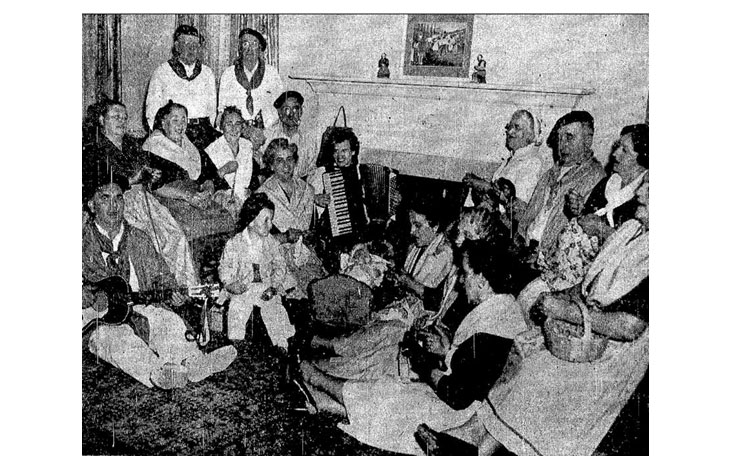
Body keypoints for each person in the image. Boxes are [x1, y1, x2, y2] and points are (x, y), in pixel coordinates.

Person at [416, 174, 649, 456]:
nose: (642, 191)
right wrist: (560, 298)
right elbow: (588, 285)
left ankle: (476, 444)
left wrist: (563, 310)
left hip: (615, 354)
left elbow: (631, 326)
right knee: (523, 347)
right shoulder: (632, 233)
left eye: (650, 187)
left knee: (538, 371)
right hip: (587, 329)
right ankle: (474, 440)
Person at [294, 240, 525, 455]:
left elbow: (458, 396)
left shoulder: (497, 326)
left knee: (394, 395)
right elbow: (471, 369)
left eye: (466, 274)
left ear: (482, 280)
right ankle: (326, 401)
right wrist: (448, 352)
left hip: (462, 417)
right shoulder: (499, 310)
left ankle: (318, 381)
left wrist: (423, 363)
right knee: (391, 389)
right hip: (461, 401)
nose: (462, 281)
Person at [82, 177, 237, 389]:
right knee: (117, 340)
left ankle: (194, 362)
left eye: (119, 198)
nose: (113, 206)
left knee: (169, 322)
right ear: (91, 205)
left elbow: (160, 274)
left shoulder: (138, 237)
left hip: (139, 305)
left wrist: (172, 290)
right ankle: (158, 373)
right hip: (100, 320)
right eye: (105, 198)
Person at [517, 124, 649, 315]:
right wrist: (578, 210)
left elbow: (629, 249)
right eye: (617, 147)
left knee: (531, 303)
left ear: (642, 159)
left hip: (590, 279)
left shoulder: (643, 200)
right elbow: (585, 222)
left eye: (625, 150)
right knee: (525, 298)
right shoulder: (609, 183)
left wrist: (600, 230)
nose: (615, 154)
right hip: (566, 267)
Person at [83, 99, 199, 287]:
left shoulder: (132, 145)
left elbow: (153, 174)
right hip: (115, 204)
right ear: (102, 120)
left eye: (124, 117)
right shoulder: (92, 149)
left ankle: (182, 291)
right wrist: (132, 180)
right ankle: (155, 293)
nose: (122, 121)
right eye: (115, 117)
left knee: (175, 236)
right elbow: (96, 187)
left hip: (144, 200)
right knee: (147, 243)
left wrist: (153, 176)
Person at [143, 101, 235, 239]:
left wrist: (208, 191)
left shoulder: (190, 146)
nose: (180, 125)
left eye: (184, 120)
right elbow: (155, 187)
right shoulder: (153, 146)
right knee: (194, 227)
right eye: (175, 120)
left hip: (197, 197)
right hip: (170, 199)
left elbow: (209, 175)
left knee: (226, 219)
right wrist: (187, 196)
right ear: (163, 123)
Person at [517, 110, 605, 255]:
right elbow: (528, 218)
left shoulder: (596, 177)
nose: (562, 145)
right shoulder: (551, 173)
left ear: (587, 140)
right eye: (559, 138)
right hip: (525, 248)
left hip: (550, 260)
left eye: (569, 137)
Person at [218, 193, 297, 348]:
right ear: (251, 221)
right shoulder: (235, 243)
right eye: (265, 220)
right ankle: (236, 344)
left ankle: (282, 344)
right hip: (243, 286)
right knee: (237, 307)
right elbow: (224, 266)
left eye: (271, 220)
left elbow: (280, 266)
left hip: (265, 285)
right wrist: (230, 283)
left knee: (274, 308)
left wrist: (274, 286)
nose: (270, 225)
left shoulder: (271, 242)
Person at [256, 138, 325, 293]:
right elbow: (257, 242)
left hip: (305, 256)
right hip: (276, 260)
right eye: (279, 160)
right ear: (271, 165)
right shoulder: (262, 195)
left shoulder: (307, 190)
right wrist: (285, 237)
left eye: (289, 159)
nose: (286, 166)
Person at [146, 25, 218, 150]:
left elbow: (212, 112)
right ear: (177, 46)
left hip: (204, 134)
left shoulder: (207, 73)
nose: (191, 48)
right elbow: (152, 112)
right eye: (186, 43)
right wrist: (165, 141)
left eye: (195, 44)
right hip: (175, 134)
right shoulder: (162, 72)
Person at [218, 28, 284, 151]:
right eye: (245, 44)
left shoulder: (272, 73)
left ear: (260, 49)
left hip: (266, 135)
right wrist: (245, 130)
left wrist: (264, 132)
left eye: (254, 44)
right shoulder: (228, 74)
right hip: (237, 134)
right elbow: (222, 113)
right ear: (240, 49)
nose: (249, 49)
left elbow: (279, 110)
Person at [464, 109, 548, 205]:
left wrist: (485, 186)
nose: (510, 132)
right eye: (509, 127)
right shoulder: (511, 159)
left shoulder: (533, 162)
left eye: (517, 127)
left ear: (530, 134)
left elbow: (517, 204)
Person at [205, 106, 255, 209]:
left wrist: (251, 190)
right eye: (229, 124)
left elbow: (254, 176)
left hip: (245, 201)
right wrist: (224, 170)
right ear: (222, 127)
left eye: (238, 124)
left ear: (242, 127)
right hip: (223, 204)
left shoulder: (247, 146)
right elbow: (209, 183)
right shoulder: (212, 150)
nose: (234, 129)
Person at [263, 90, 319, 182]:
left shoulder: (309, 138)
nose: (291, 114)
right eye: (286, 109)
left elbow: (312, 171)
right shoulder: (268, 135)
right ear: (279, 113)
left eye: (295, 108)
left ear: (301, 111)